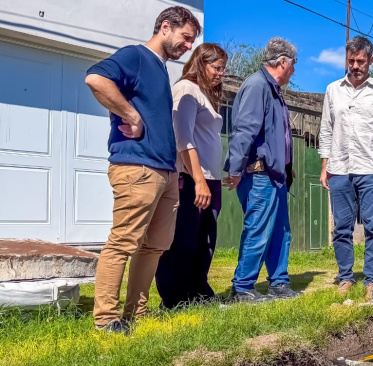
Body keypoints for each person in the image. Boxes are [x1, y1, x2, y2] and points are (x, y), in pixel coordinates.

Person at [85, 7, 201, 334]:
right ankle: (106, 318)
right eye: (185, 38)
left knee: (155, 245)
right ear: (165, 27)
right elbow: (96, 78)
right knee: (124, 241)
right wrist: (130, 115)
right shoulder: (135, 56)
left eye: (192, 41)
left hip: (165, 172)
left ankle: (136, 312)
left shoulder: (160, 69)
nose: (188, 46)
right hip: (137, 166)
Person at [318, 36, 373, 299]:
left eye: (360, 61)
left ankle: (372, 280)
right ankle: (345, 277)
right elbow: (326, 130)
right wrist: (325, 166)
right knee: (341, 227)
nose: (355, 66)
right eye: (351, 60)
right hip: (340, 169)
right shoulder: (333, 90)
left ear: (371, 60)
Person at [222, 37, 300, 302]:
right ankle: (242, 287)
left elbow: (275, 135)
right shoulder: (257, 86)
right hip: (258, 174)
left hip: (275, 175)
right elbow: (244, 130)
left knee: (280, 231)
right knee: (258, 229)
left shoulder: (274, 90)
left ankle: (279, 283)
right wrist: (235, 168)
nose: (294, 70)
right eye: (293, 65)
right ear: (282, 62)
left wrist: (287, 165)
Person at [155, 43, 228, 310]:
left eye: (223, 68)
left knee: (204, 241)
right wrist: (197, 179)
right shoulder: (185, 90)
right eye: (216, 67)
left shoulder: (205, 94)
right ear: (201, 63)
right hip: (191, 177)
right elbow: (182, 138)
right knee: (182, 238)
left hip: (211, 178)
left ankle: (198, 292)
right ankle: (175, 298)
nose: (220, 73)